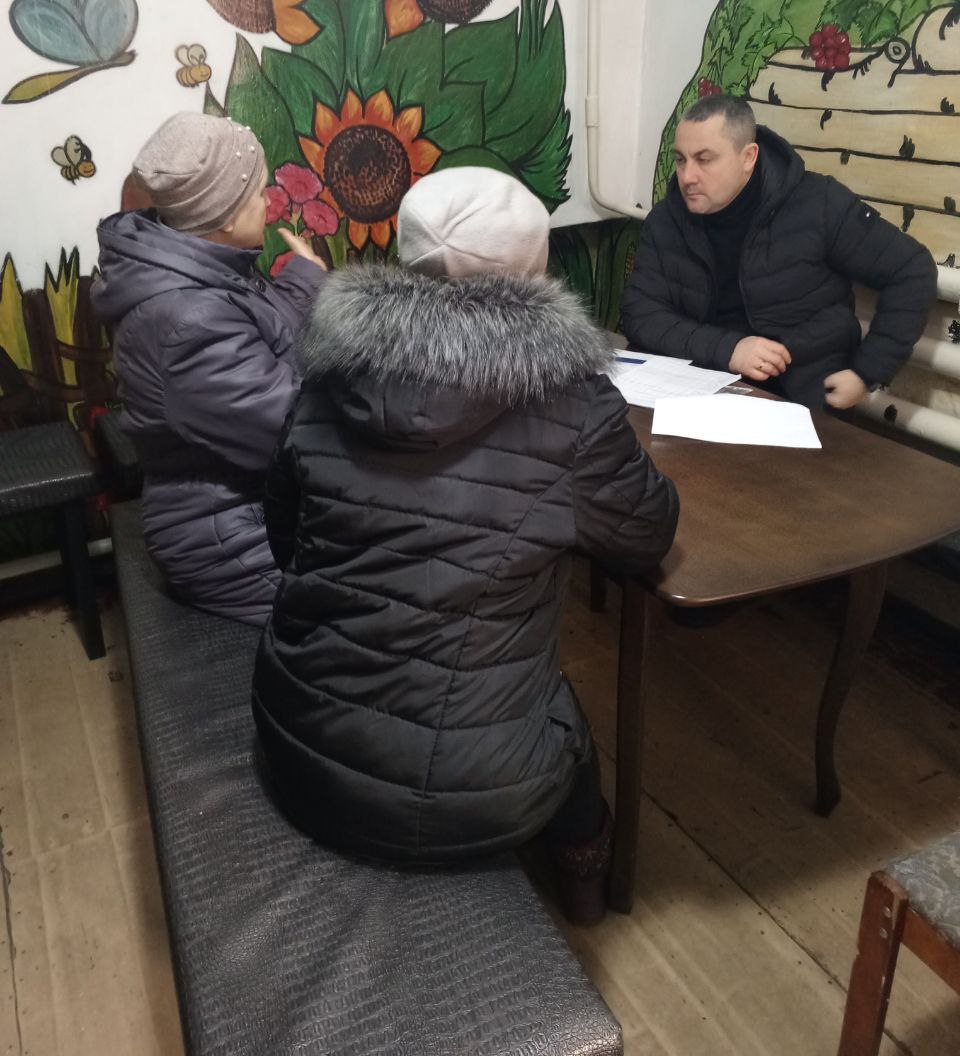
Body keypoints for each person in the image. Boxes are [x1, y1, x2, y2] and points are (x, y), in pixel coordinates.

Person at [252, 166, 679, 924]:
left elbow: (285, 542)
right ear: (535, 272)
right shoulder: (573, 403)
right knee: (565, 725)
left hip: (299, 746)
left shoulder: (324, 377)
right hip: (476, 794)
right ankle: (587, 884)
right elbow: (646, 536)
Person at [92, 111, 326, 627]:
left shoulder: (195, 266)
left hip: (251, 505)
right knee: (385, 602)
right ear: (225, 216)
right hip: (229, 537)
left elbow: (263, 332)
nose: (270, 203)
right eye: (260, 193)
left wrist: (306, 278)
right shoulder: (187, 319)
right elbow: (292, 431)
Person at [620, 94, 937, 410]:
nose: (687, 176)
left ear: (748, 157)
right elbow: (641, 313)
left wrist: (866, 373)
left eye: (704, 160)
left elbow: (912, 270)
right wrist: (729, 349)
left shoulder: (818, 203)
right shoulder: (667, 219)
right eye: (681, 160)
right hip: (696, 383)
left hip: (797, 394)